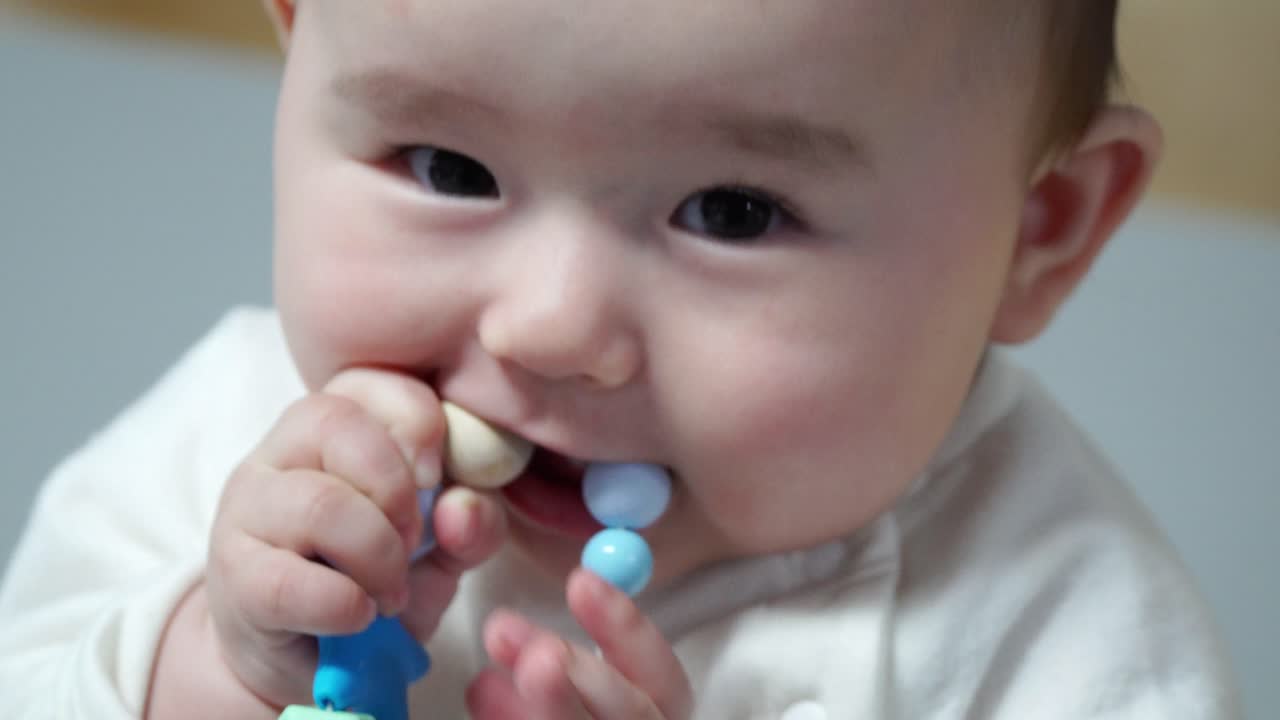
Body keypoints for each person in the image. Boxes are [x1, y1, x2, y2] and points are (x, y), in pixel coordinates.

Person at [0, 0, 1241, 717]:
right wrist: (208, 670)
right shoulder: (236, 438)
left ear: (1037, 229)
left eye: (733, 212)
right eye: (448, 169)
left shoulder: (1062, 632)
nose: (546, 328)